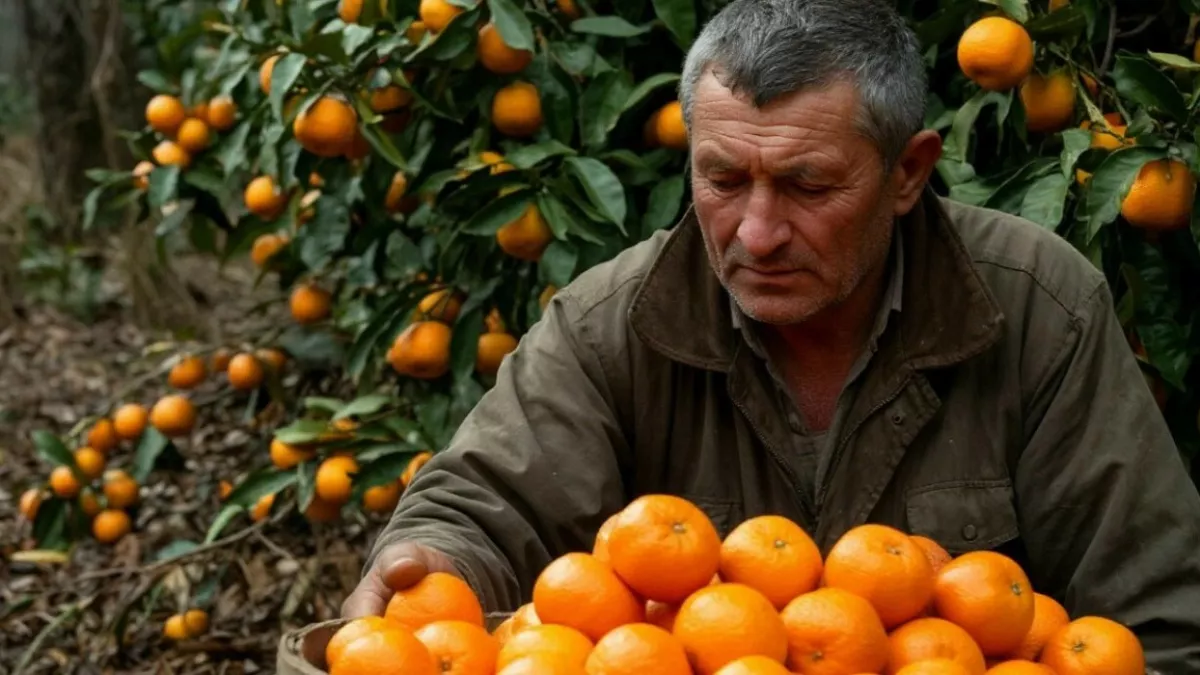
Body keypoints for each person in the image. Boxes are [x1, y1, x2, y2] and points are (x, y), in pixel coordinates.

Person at [344, 0, 1200, 668]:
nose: (755, 233)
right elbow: (486, 504)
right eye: (722, 178)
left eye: (807, 185)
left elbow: (1155, 623)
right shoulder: (618, 320)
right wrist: (431, 560)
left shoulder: (1039, 310)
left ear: (908, 173)